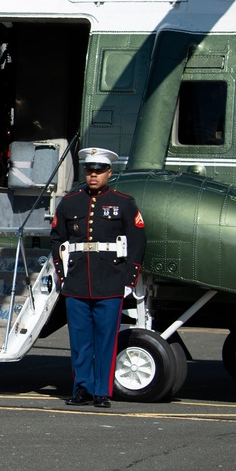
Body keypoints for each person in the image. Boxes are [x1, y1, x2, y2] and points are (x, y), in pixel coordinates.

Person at [50, 148, 145, 409]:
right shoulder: (70, 202)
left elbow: (137, 240)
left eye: (99, 170)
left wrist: (129, 278)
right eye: (89, 170)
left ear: (109, 173)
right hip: (78, 281)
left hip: (110, 281)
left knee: (105, 341)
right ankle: (82, 388)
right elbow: (57, 239)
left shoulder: (123, 202)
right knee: (80, 342)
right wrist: (62, 274)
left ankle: (102, 391)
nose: (93, 175)